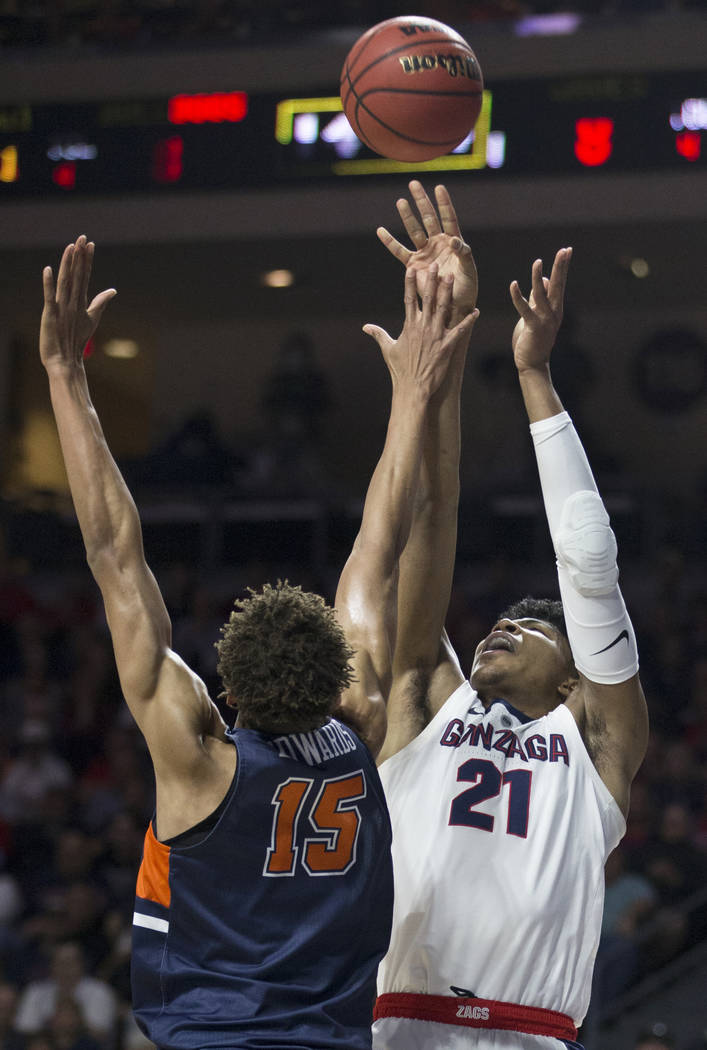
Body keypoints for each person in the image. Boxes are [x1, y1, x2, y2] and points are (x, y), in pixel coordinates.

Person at [39, 235, 474, 1050]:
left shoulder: (198, 759)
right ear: (341, 674)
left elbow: (112, 553)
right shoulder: (362, 723)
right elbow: (377, 548)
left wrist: (67, 376)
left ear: (223, 693)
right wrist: (413, 389)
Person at [340, 182, 649, 1049]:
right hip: (398, 1025)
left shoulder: (596, 746)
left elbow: (589, 569)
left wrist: (532, 372)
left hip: (532, 1030)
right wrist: (441, 346)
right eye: (500, 621)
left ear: (571, 677)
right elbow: (430, 519)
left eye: (532, 627)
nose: (499, 628)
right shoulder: (424, 703)